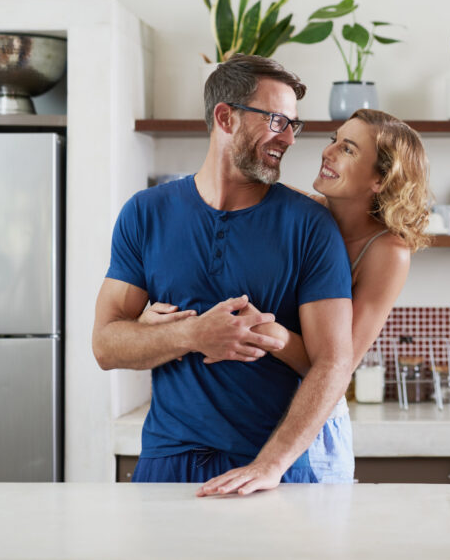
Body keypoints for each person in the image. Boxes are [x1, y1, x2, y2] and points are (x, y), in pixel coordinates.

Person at [91, 54, 355, 496]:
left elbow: (333, 363)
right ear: (225, 116)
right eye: (276, 120)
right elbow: (104, 345)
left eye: (294, 124)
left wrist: (271, 466)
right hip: (167, 466)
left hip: (273, 473)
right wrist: (191, 334)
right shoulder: (146, 213)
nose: (289, 138)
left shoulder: (310, 225)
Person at [144, 108, 431, 488]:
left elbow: (337, 366)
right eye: (333, 140)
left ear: (380, 179)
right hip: (253, 421)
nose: (328, 152)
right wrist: (159, 322)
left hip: (311, 429)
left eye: (347, 149)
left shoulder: (387, 251)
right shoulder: (301, 213)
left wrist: (269, 332)